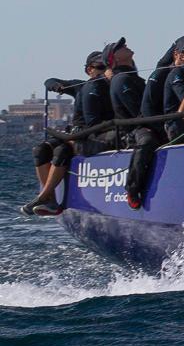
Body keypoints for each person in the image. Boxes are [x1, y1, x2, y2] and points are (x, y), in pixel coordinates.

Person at [21, 51, 113, 215]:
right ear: (89, 70)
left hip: (93, 135)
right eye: (99, 66)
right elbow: (49, 81)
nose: (103, 69)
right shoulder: (81, 86)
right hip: (74, 134)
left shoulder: (113, 86)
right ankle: (49, 199)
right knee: (40, 150)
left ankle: (43, 197)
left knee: (61, 151)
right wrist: (56, 86)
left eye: (105, 66)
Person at [102, 37, 158, 210]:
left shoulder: (134, 78)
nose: (126, 46)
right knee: (147, 141)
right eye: (120, 47)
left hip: (148, 122)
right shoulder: (122, 80)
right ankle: (132, 189)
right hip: (134, 129)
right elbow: (137, 112)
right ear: (115, 58)